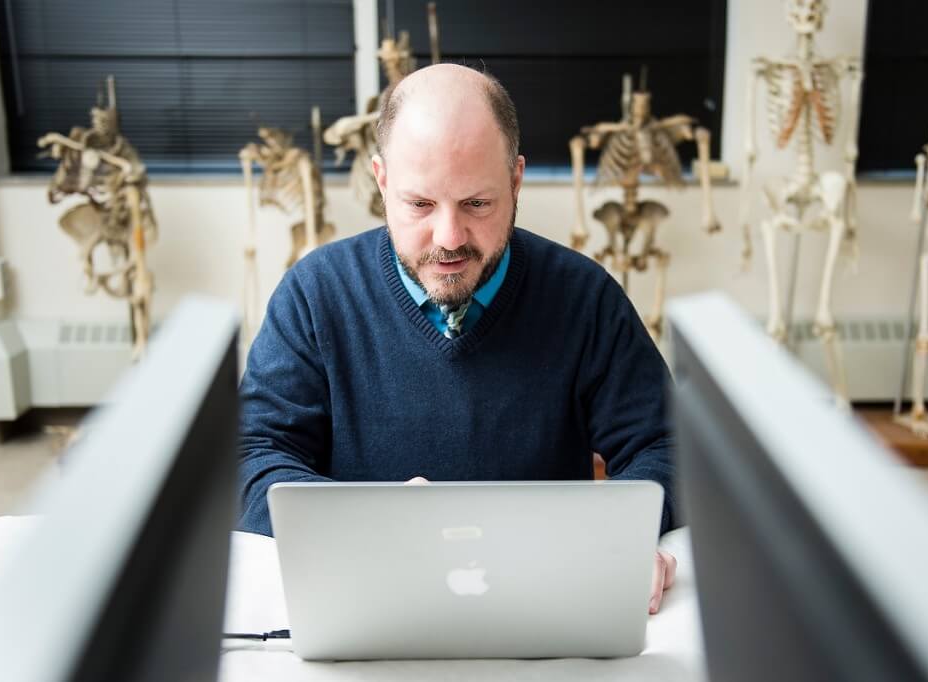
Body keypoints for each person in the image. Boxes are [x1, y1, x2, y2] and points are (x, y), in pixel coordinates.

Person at [238, 63, 678, 614]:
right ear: (381, 181)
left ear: (516, 181)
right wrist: (372, 521)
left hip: (542, 607)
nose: (448, 238)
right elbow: (254, 456)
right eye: (420, 204)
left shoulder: (584, 297)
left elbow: (667, 447)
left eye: (477, 204)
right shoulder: (315, 294)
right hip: (368, 603)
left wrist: (618, 532)